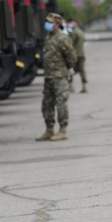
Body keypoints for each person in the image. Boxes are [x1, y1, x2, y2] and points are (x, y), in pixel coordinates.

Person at [36, 13, 77, 142]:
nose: (47, 24)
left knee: (61, 104)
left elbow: (72, 58)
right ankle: (49, 130)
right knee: (46, 104)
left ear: (57, 24)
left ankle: (63, 130)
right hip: (48, 77)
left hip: (59, 77)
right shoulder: (49, 37)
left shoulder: (62, 38)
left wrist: (63, 70)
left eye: (50, 22)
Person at [68, 18, 88, 93]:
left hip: (75, 54)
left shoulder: (74, 32)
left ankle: (70, 87)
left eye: (72, 23)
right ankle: (84, 86)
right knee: (82, 70)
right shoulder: (81, 32)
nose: (71, 24)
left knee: (71, 70)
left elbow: (71, 42)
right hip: (81, 53)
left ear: (76, 23)